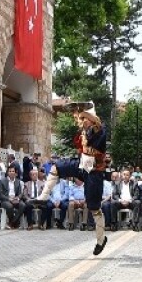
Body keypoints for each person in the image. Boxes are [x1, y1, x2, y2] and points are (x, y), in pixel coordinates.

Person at [37, 106, 111, 254]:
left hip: (94, 172)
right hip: (81, 165)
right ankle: (43, 197)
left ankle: (101, 239)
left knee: (94, 208)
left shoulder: (100, 131)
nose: (81, 121)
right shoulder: (84, 131)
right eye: (80, 118)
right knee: (56, 168)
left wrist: (86, 135)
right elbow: (80, 146)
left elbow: (94, 143)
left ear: (92, 120)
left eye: (84, 118)